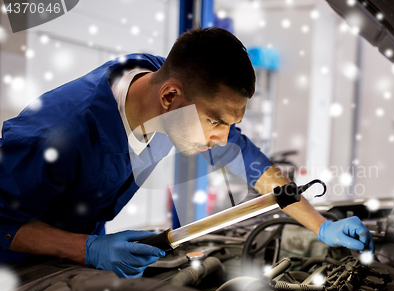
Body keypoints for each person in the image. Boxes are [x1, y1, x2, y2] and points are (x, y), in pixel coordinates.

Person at [0, 28, 374, 278]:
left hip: (75, 260)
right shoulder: (56, 136)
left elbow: (248, 160)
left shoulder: (161, 88)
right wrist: (90, 248)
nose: (223, 138)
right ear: (169, 97)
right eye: (215, 121)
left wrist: (321, 225)